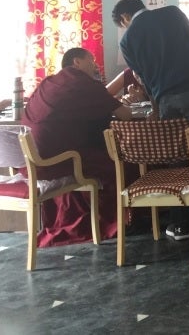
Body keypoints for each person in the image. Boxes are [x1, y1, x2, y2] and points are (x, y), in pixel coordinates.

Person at [112, 0, 189, 238]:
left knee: (175, 156)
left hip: (164, 99)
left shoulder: (128, 40)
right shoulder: (172, 13)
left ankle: (181, 223)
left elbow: (141, 77)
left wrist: (156, 107)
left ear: (124, 17)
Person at [22, 47, 134, 247]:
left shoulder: (48, 83)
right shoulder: (85, 84)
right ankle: (117, 220)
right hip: (61, 159)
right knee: (119, 161)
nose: (94, 64)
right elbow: (125, 115)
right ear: (76, 62)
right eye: (90, 59)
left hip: (33, 159)